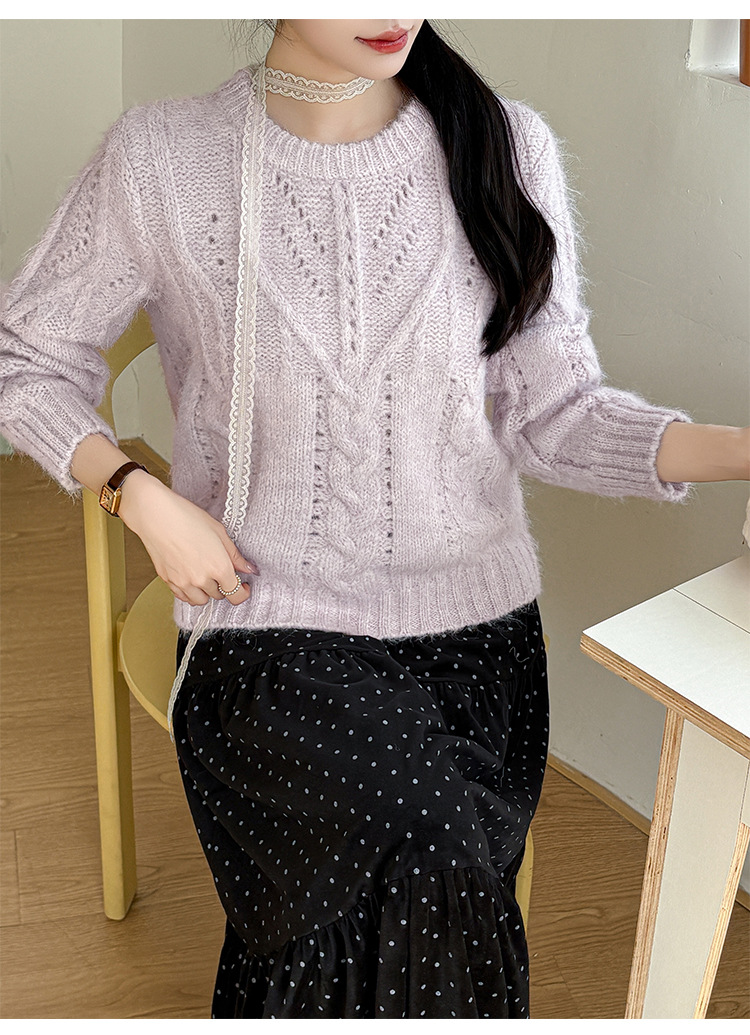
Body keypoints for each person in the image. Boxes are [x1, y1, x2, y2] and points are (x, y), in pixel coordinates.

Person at [0, 18, 747, 1020]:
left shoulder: (503, 144)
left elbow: (557, 414)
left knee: (405, 898)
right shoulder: (162, 161)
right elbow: (26, 360)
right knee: (426, 863)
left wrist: (742, 448)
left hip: (477, 643)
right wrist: (137, 492)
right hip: (265, 622)